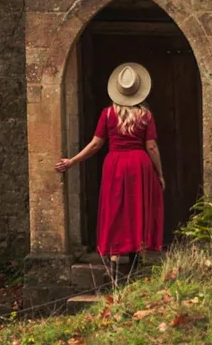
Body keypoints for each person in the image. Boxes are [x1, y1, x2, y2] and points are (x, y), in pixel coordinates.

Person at [55, 62, 165, 279]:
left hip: (115, 164)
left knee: (115, 207)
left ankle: (114, 258)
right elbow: (151, 146)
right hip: (139, 165)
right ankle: (135, 258)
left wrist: (72, 161)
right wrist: (160, 173)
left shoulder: (107, 115)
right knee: (137, 208)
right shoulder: (145, 116)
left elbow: (96, 144)